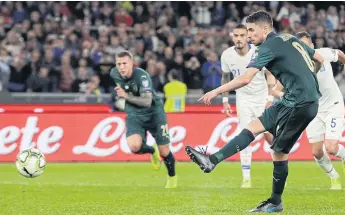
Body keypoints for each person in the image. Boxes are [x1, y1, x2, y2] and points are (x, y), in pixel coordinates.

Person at [185, 10, 324, 213]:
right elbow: (318, 58)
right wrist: (308, 77)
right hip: (293, 99)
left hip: (301, 103)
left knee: (278, 152)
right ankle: (212, 160)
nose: (249, 35)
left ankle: (276, 202)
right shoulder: (289, 38)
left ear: (265, 29)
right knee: (253, 127)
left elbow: (245, 78)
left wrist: (216, 91)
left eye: (251, 30)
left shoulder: (265, 48)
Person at [277, 31, 345, 190]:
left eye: (306, 46)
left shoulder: (323, 53)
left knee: (331, 147)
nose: (304, 49)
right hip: (313, 110)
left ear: (312, 46)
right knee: (317, 152)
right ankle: (334, 177)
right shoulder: (294, 67)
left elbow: (338, 53)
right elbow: (278, 88)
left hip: (333, 105)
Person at [110, 51, 177, 188]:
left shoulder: (142, 76)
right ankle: (152, 151)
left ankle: (172, 177)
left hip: (154, 113)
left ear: (132, 64)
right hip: (134, 114)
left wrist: (126, 96)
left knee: (164, 151)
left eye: (125, 64)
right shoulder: (114, 74)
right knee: (134, 147)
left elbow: (147, 101)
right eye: (119, 64)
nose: (121, 67)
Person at [220, 24, 275, 188]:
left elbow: (270, 73)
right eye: (236, 35)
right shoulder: (227, 55)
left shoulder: (257, 52)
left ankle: (279, 168)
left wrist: (270, 97)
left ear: (247, 37)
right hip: (242, 99)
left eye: (242, 35)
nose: (239, 39)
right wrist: (225, 100)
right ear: (232, 37)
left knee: (270, 136)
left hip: (261, 98)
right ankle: (246, 178)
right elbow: (225, 77)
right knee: (244, 136)